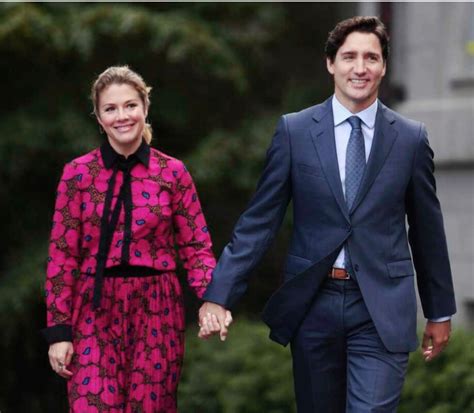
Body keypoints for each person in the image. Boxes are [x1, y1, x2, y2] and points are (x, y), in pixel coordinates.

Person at [198, 16, 456, 412]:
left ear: (383, 67)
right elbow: (259, 222)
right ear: (330, 63)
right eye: (349, 56)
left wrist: (438, 310)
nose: (360, 68)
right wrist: (220, 294)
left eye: (371, 57)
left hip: (381, 308)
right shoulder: (295, 132)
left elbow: (427, 231)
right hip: (313, 304)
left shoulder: (410, 139)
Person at [42, 65, 226, 412]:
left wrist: (211, 298)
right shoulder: (78, 174)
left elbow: (196, 247)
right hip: (93, 310)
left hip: (157, 309)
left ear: (145, 108)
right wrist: (59, 331)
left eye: (130, 105)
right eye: (110, 108)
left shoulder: (173, 172)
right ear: (98, 117)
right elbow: (62, 256)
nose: (122, 116)